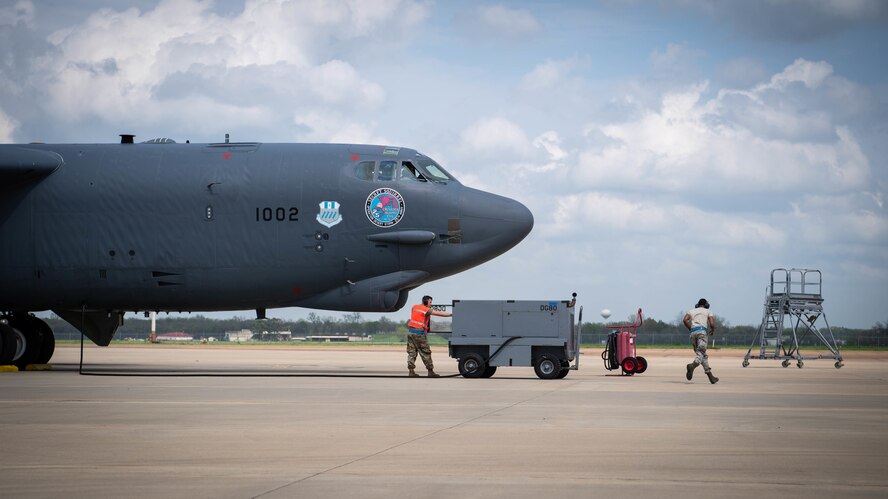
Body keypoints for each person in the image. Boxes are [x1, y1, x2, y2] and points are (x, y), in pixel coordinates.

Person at [406, 295, 452, 377]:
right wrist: (451, 314)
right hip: (419, 334)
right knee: (426, 352)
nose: (431, 304)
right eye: (430, 302)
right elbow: (439, 313)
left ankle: (411, 371)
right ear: (426, 301)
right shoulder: (425, 310)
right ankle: (430, 371)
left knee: (412, 352)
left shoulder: (414, 307)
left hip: (410, 333)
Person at [683, 298, 719, 384]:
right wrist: (712, 330)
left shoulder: (691, 311)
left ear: (697, 305)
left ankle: (711, 377)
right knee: (701, 353)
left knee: (702, 355)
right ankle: (692, 366)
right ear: (706, 305)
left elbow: (685, 320)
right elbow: (712, 323)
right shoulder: (708, 311)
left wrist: (690, 328)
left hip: (692, 333)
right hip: (702, 333)